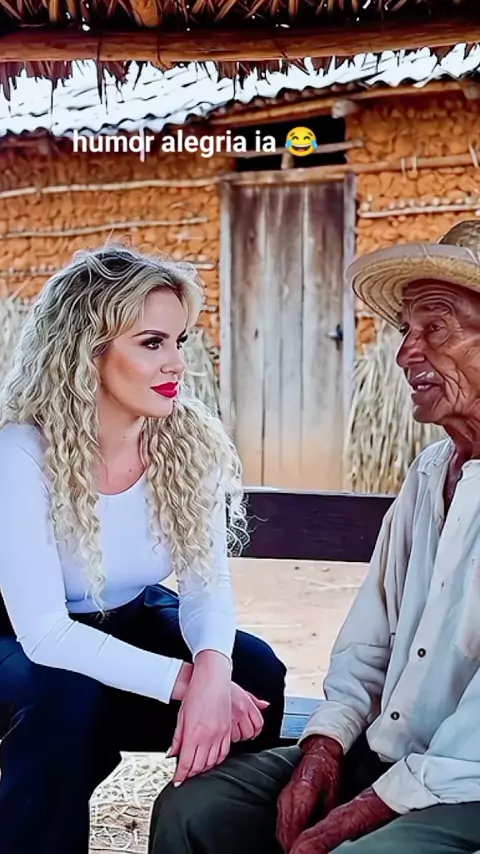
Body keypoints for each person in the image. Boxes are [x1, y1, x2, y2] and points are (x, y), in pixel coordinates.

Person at [149, 219, 480, 854]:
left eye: (435, 328)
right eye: (405, 331)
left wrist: (370, 808)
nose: (405, 354)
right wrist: (324, 748)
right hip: (385, 758)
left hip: (464, 782)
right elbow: (369, 640)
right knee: (196, 810)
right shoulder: (430, 474)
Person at [0, 244, 287, 854]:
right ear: (88, 348)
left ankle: (201, 831)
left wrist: (213, 670)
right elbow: (45, 634)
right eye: (152, 342)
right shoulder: (21, 451)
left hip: (125, 619)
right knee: (64, 701)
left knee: (254, 673)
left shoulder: (189, 441)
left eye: (180, 341)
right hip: (16, 642)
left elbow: (207, 586)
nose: (177, 363)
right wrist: (188, 684)